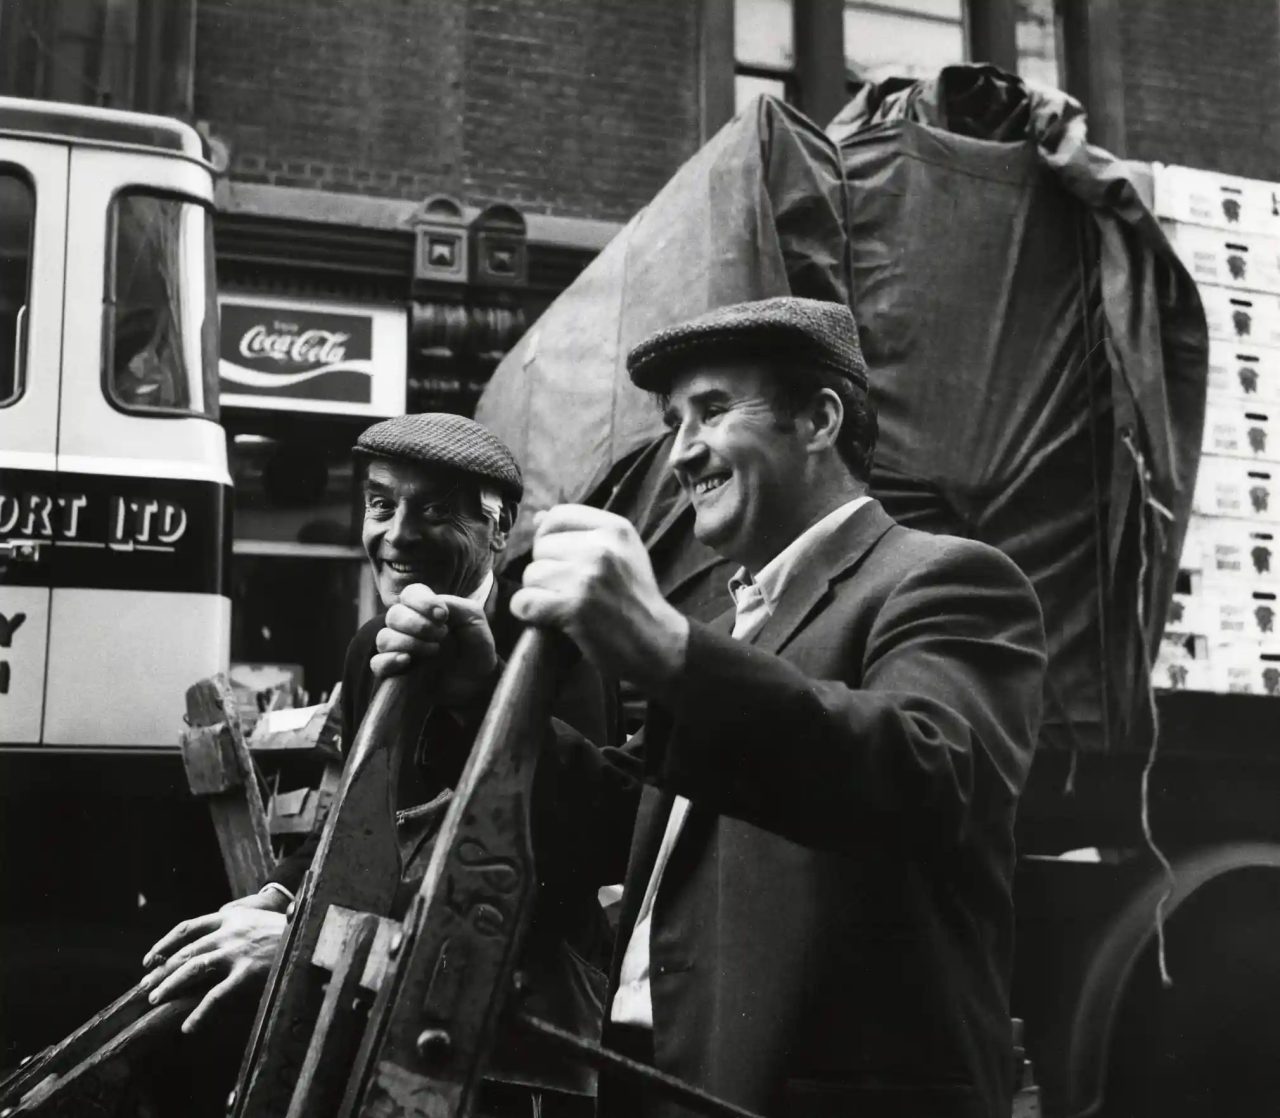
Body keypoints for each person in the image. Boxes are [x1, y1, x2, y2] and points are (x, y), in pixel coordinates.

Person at [379, 297, 1047, 1117]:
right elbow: (613, 826)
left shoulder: (946, 578)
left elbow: (928, 776)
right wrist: (479, 699)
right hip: (649, 1079)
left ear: (818, 419)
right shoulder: (727, 623)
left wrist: (667, 650)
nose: (683, 451)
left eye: (714, 411)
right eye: (673, 420)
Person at [141, 412, 615, 1115]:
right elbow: (365, 814)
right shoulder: (370, 645)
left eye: (434, 510)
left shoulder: (560, 644)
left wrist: (312, 940)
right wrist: (270, 900)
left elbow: (549, 870)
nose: (397, 535)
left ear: (500, 527)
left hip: (507, 1032)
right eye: (382, 504)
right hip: (383, 985)